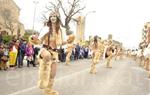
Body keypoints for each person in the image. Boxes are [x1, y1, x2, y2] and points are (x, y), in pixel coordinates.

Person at [30, 11, 74, 95]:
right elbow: (39, 41)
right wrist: (33, 39)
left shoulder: (61, 30)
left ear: (57, 18)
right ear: (49, 18)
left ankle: (48, 91)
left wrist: (70, 40)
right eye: (51, 16)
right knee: (47, 56)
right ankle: (42, 80)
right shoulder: (46, 28)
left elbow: (63, 43)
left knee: (53, 74)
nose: (53, 17)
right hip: (45, 50)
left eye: (55, 16)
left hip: (55, 53)